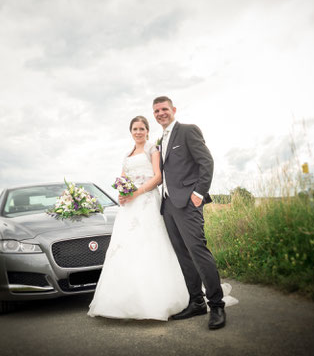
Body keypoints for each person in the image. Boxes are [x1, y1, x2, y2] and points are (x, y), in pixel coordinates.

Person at [88, 116, 189, 321]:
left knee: (148, 244)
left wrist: (137, 193)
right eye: (135, 128)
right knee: (125, 247)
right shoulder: (127, 154)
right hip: (129, 207)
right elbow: (123, 178)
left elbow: (158, 177)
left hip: (146, 201)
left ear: (147, 131)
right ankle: (121, 301)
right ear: (131, 131)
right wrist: (122, 193)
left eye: (142, 128)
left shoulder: (153, 149)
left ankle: (157, 300)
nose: (138, 132)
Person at [153, 95, 226, 330]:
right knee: (183, 256)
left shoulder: (187, 131)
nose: (161, 113)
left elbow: (207, 161)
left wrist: (199, 193)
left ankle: (216, 305)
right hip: (168, 205)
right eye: (156, 111)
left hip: (188, 202)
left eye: (164, 109)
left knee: (198, 252)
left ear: (174, 109)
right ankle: (196, 302)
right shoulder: (160, 140)